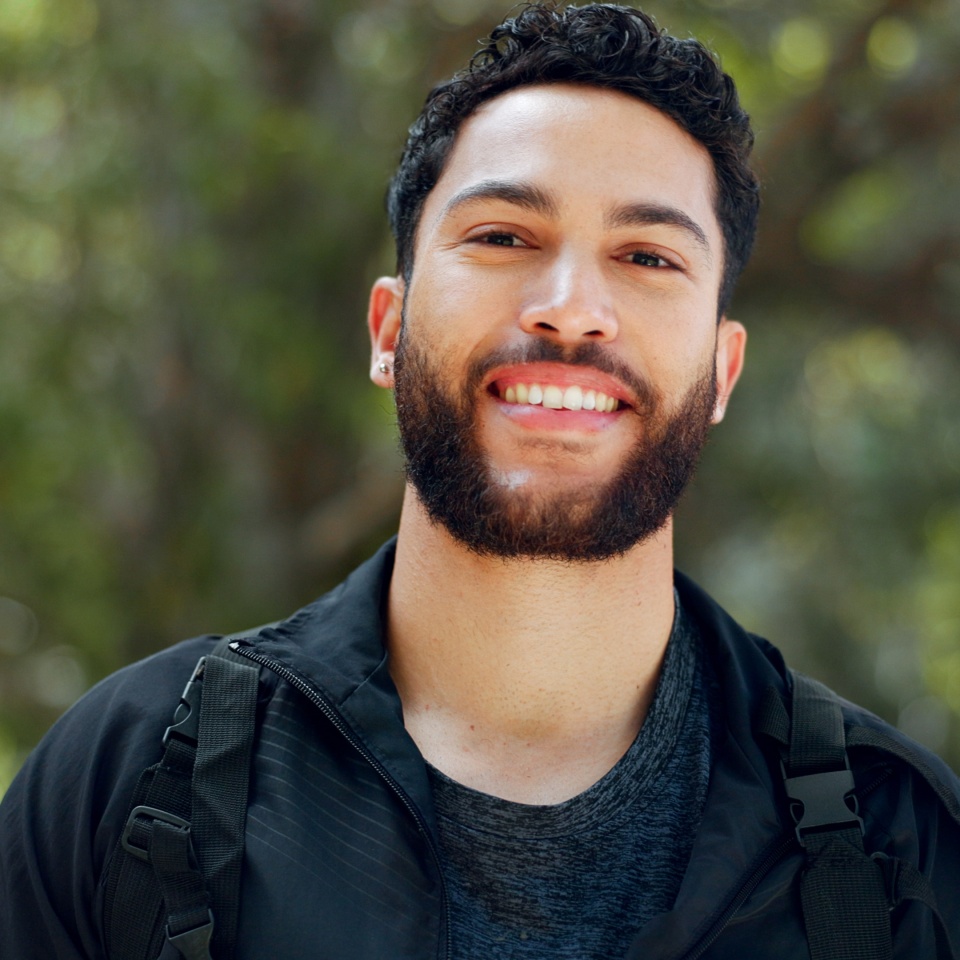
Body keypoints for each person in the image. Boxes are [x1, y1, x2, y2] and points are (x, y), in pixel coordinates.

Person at [2, 4, 958, 959]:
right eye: (503, 236)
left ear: (723, 373)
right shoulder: (126, 782)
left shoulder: (903, 846)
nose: (571, 310)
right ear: (388, 330)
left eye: (647, 256)